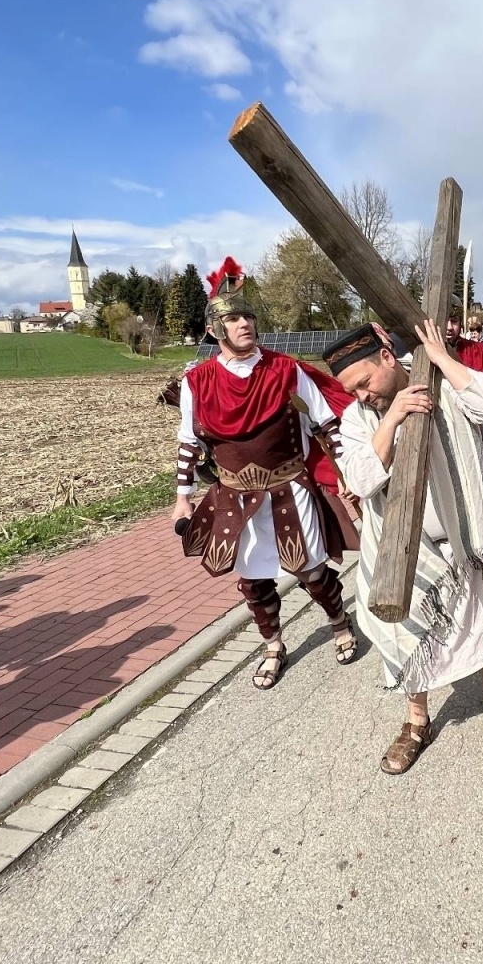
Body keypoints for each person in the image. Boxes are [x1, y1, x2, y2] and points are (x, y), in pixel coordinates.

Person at [328, 320, 483, 775]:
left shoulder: (443, 382)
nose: (362, 395)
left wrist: (444, 360)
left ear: (387, 358)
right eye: (353, 390)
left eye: (365, 382)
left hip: (473, 537)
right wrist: (392, 418)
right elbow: (361, 480)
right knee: (404, 633)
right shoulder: (359, 419)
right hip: (404, 550)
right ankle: (417, 720)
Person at [172, 258, 360, 690]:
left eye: (248, 317)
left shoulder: (285, 369)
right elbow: (189, 443)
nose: (245, 324)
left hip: (289, 488)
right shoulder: (196, 381)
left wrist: (346, 472)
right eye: (233, 319)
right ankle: (273, 645)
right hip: (234, 497)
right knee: (254, 581)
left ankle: (339, 622)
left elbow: (326, 424)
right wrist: (182, 498)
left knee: (311, 572)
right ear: (215, 330)